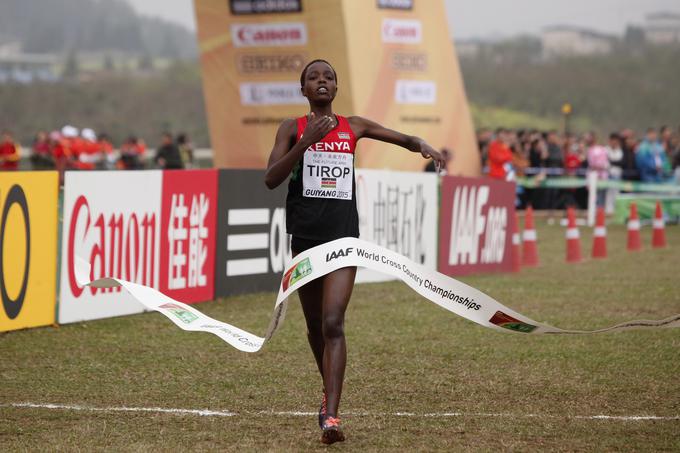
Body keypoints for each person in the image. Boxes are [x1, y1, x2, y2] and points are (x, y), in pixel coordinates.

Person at [264, 59, 444, 445]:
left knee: (333, 322)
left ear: (336, 87)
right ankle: (327, 393)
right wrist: (306, 142)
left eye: (328, 76)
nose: (322, 81)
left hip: (344, 240)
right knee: (315, 328)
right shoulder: (291, 128)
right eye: (314, 77)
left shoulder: (354, 126)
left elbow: (402, 139)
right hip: (306, 241)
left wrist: (422, 145)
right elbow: (271, 178)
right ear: (304, 90)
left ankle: (331, 416)